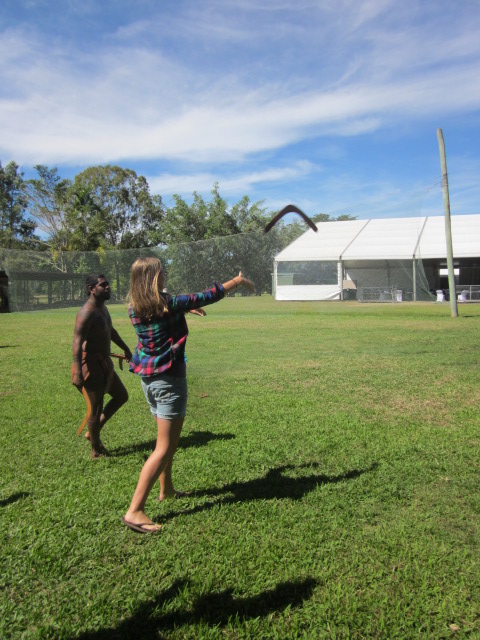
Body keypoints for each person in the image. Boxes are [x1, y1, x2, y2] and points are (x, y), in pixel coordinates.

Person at [122, 257, 255, 533]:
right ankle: (135, 510)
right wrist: (238, 281)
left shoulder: (135, 307)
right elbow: (209, 295)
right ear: (153, 277)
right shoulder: (169, 304)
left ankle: (167, 489)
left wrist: (184, 308)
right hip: (168, 381)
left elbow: (166, 306)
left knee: (168, 442)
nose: (165, 273)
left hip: (149, 381)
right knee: (164, 448)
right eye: (161, 271)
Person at [72, 274, 133, 458]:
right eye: (103, 285)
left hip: (104, 363)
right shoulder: (87, 312)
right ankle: (95, 450)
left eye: (108, 284)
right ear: (91, 289)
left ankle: (93, 433)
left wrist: (125, 348)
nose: (108, 287)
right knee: (95, 408)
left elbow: (110, 331)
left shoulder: (102, 308)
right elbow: (77, 342)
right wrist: (78, 371)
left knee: (121, 396)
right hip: (91, 366)